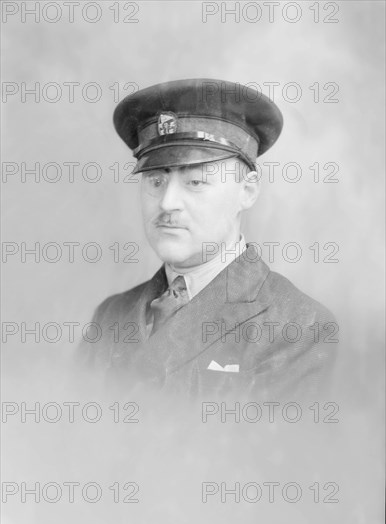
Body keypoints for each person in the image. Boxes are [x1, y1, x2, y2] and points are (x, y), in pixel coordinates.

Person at [81, 78, 337, 400]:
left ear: (247, 191)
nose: (167, 202)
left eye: (196, 181)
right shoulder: (111, 316)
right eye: (156, 180)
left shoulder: (298, 327)